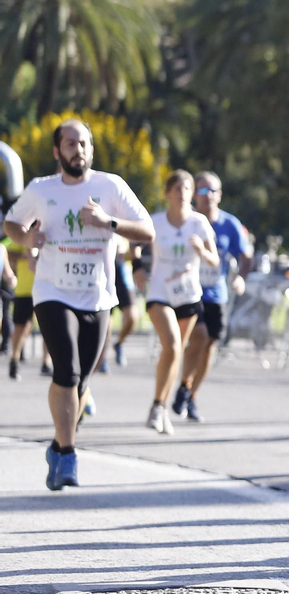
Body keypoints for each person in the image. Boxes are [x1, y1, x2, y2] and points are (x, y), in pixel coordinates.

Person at [3, 119, 154, 489]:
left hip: (97, 294)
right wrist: (28, 237)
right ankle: (68, 454)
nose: (78, 150)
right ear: (57, 151)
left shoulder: (110, 186)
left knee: (81, 380)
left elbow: (147, 230)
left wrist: (109, 221)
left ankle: (56, 444)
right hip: (53, 291)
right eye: (70, 144)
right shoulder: (42, 189)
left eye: (83, 143)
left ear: (91, 148)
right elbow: (11, 224)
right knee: (67, 371)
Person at [144, 170, 220, 434]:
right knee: (172, 344)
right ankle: (157, 405)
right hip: (160, 292)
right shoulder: (154, 222)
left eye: (187, 188)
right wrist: (136, 268)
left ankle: (162, 406)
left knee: (176, 350)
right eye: (176, 188)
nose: (182, 193)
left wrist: (201, 251)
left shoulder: (199, 223)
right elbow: (137, 249)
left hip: (188, 293)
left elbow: (215, 260)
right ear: (167, 194)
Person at [173, 172, 252, 422]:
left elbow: (246, 256)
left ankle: (191, 396)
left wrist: (241, 277)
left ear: (220, 195)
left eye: (213, 191)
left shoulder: (229, 224)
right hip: (189, 290)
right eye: (203, 191)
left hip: (217, 292)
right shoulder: (187, 221)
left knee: (210, 344)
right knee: (199, 335)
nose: (208, 196)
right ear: (194, 194)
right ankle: (184, 384)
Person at [3, 232, 36, 380]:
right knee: (21, 326)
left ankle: (47, 363)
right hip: (24, 288)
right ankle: (14, 359)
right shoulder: (25, 235)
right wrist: (28, 256)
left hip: (48, 289)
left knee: (52, 326)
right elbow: (10, 254)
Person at [108, 237, 138, 368]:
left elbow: (133, 253)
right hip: (107, 279)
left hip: (124, 279)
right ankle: (101, 357)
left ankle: (119, 343)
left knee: (132, 318)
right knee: (106, 324)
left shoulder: (125, 225)